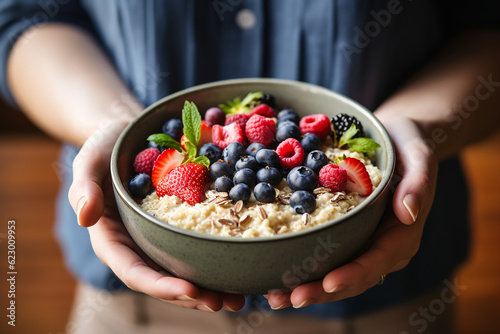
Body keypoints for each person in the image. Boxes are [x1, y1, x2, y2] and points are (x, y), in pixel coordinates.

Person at [1, 0, 499, 333]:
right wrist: (110, 128)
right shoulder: (186, 160)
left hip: (384, 294)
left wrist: (410, 125)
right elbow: (23, 16)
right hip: (132, 296)